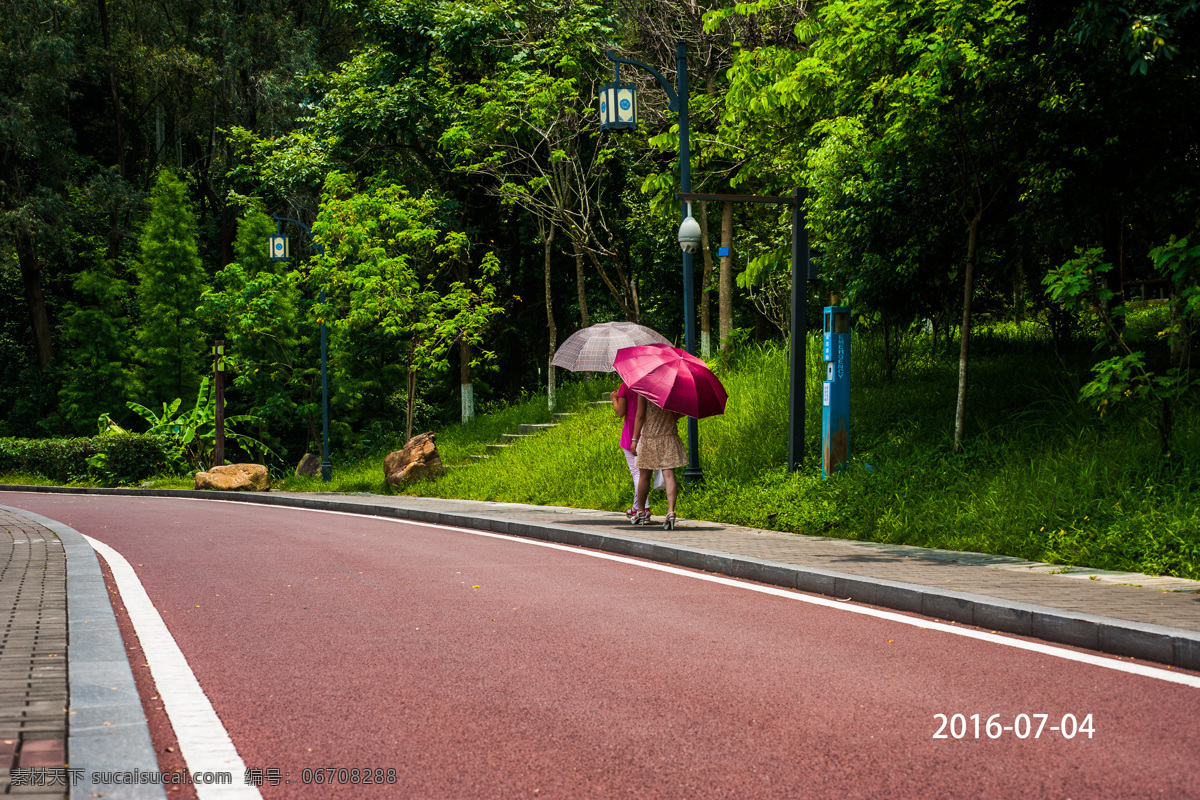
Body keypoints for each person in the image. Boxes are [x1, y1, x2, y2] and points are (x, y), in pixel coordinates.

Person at [630, 394, 686, 529]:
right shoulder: (671, 391)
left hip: (649, 437)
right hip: (668, 437)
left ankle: (641, 511)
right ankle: (670, 511)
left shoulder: (643, 390)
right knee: (669, 474)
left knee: (644, 476)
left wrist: (634, 439)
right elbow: (679, 413)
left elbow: (640, 415)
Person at [612, 382, 663, 521]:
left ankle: (644, 508)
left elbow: (620, 412)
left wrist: (614, 400)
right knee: (643, 473)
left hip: (631, 431)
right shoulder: (650, 385)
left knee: (637, 473)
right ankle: (636, 508)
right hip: (648, 429)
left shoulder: (624, 386)